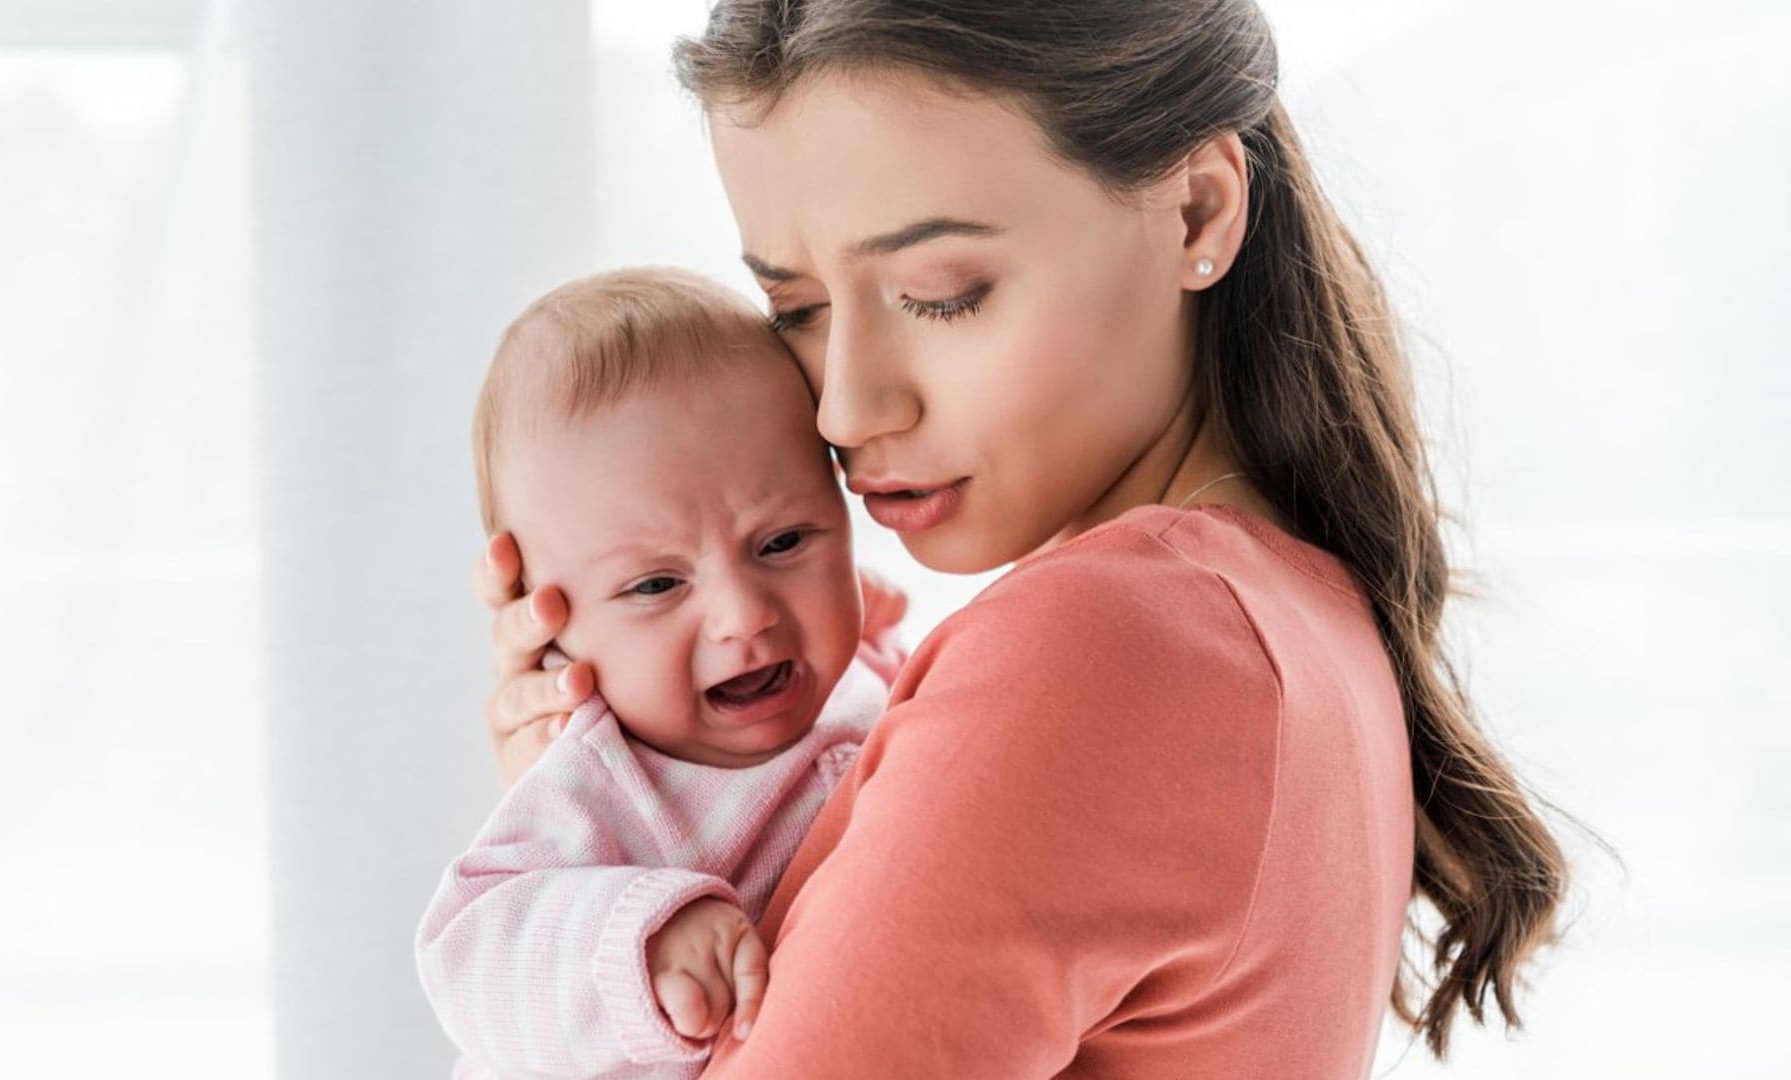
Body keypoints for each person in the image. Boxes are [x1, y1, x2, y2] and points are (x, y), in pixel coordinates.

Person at [475, 2, 1570, 1075]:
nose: (845, 410)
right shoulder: (1283, 611)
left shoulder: (1112, 645)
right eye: (797, 311)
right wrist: (622, 818)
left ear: (1195, 211)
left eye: (937, 294)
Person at [418, 267, 909, 1078]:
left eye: (784, 542)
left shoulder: (862, 683)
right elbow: (468, 952)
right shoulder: (600, 784)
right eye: (655, 585)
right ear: (550, 629)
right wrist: (637, 940)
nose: (743, 615)